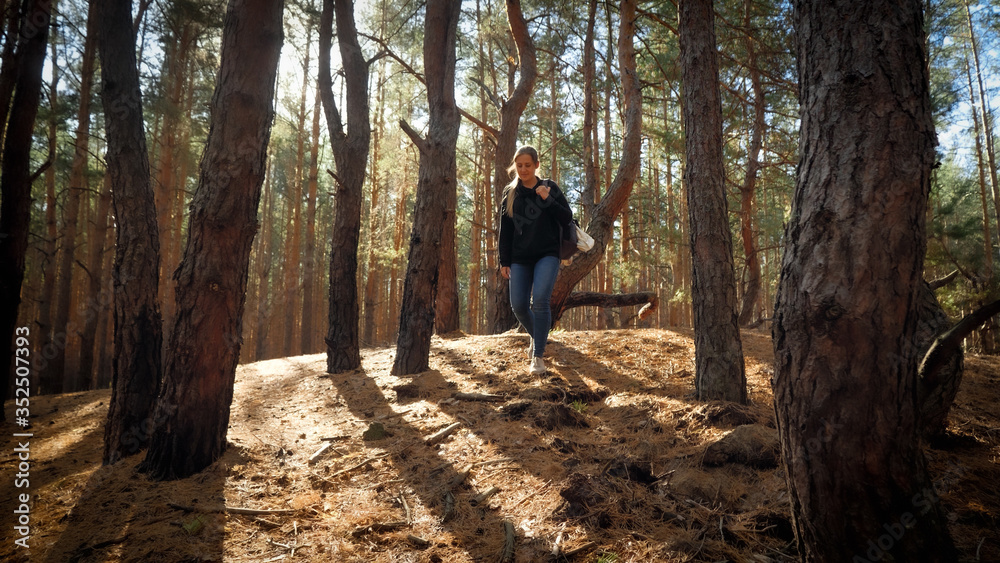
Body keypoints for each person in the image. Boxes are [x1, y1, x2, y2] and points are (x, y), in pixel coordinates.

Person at [498, 145, 573, 375]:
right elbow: (505, 230)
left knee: (540, 300)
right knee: (519, 305)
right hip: (520, 258)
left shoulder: (549, 187)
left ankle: (538, 356)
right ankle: (537, 336)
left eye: (528, 165)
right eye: (519, 165)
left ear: (536, 165)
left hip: (547, 255)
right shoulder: (510, 193)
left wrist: (548, 199)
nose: (523, 169)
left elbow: (567, 217)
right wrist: (504, 260)